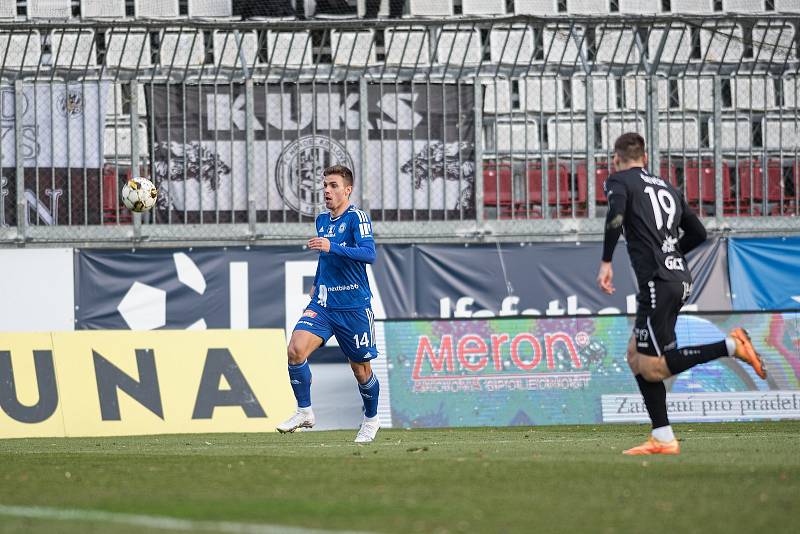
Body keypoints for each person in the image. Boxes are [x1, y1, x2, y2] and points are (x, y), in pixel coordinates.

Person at [596, 133, 766, 455]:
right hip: (678, 278)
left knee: (653, 367)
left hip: (658, 282)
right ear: (645, 157)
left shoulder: (618, 181)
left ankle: (731, 346)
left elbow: (616, 215)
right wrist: (670, 253)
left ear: (616, 159)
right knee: (636, 356)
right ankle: (662, 437)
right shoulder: (667, 188)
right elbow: (699, 233)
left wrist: (606, 261)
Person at [277, 164, 381, 443]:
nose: (326, 190)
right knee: (296, 349)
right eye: (324, 185)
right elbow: (325, 258)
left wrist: (330, 246)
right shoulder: (322, 220)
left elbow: (369, 254)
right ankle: (304, 411)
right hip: (324, 302)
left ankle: (371, 420)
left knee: (361, 370)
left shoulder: (358, 218)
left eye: (333, 185)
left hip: (353, 306)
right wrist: (316, 281)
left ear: (347, 190)